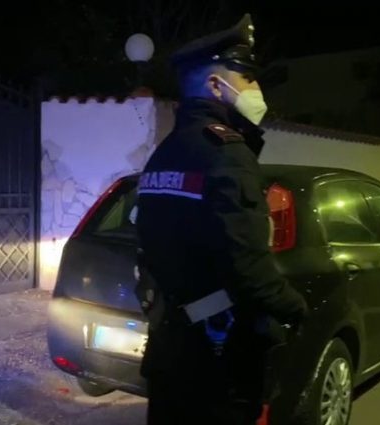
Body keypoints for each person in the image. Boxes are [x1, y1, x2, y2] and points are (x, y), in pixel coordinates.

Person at [135, 13, 309, 425]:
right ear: (216, 86)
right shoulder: (228, 154)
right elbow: (248, 267)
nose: (255, 90)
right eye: (247, 78)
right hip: (218, 362)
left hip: (169, 348)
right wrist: (295, 308)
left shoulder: (166, 151)